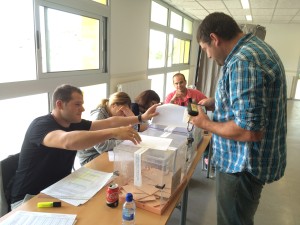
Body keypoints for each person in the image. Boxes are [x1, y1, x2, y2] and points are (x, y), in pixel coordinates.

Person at [190, 12, 287, 225]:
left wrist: (205, 123)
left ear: (215, 39)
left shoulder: (243, 61)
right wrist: (216, 102)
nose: (207, 56)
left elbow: (250, 131)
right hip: (247, 163)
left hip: (241, 165)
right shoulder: (254, 48)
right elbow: (251, 102)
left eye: (205, 49)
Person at [10, 84, 159, 209]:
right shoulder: (41, 125)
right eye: (77, 104)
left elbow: (109, 122)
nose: (82, 109)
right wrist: (113, 133)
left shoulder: (73, 123)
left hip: (59, 190)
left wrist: (141, 117)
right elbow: (67, 141)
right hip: (29, 200)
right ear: (60, 104)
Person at [78, 91, 137, 166]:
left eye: (126, 111)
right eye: (122, 111)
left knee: (132, 160)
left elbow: (133, 133)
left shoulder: (115, 113)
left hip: (108, 152)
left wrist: (132, 118)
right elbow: (101, 147)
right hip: (91, 156)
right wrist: (125, 142)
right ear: (113, 105)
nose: (124, 114)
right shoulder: (98, 116)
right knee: (124, 165)